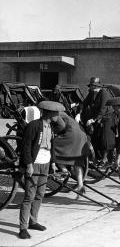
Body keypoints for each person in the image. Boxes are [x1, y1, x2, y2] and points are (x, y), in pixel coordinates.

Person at [18, 101, 64, 239]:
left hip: (46, 162)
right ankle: (23, 227)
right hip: (35, 163)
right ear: (49, 113)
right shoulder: (34, 126)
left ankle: (33, 221)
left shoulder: (50, 126)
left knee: (40, 194)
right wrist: (29, 165)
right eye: (56, 113)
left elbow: (52, 144)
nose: (58, 115)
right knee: (29, 196)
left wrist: (54, 163)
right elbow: (25, 147)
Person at [53, 111, 89, 196]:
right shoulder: (65, 115)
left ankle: (64, 169)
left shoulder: (56, 114)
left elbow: (61, 126)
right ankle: (80, 184)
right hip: (82, 136)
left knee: (53, 147)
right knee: (77, 161)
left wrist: (53, 131)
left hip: (71, 135)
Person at [81, 77, 114, 165]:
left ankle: (105, 158)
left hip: (107, 117)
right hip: (97, 117)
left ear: (99, 86)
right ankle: (96, 156)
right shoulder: (92, 93)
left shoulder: (104, 94)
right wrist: (79, 111)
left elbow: (103, 109)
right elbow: (85, 103)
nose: (93, 88)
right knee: (94, 136)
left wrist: (93, 119)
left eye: (95, 86)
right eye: (92, 86)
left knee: (105, 138)